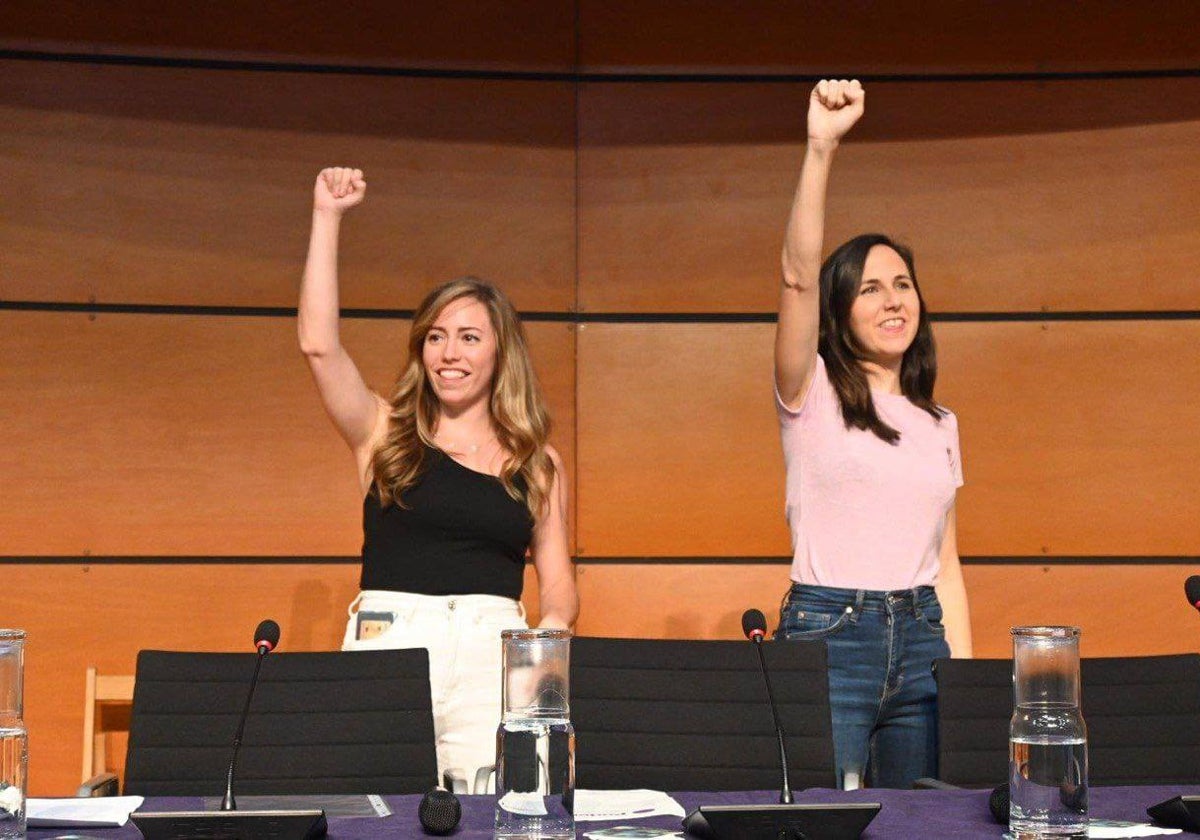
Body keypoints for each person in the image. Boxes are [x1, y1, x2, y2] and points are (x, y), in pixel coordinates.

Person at [298, 166, 578, 784]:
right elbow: (319, 345)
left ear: (499, 352)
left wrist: (545, 645)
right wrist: (328, 217)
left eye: (469, 337)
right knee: (375, 812)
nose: (449, 355)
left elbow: (558, 590)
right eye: (436, 337)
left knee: (494, 813)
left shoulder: (539, 460)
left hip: (494, 652)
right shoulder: (382, 430)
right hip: (391, 643)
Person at [773, 81, 973, 789]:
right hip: (831, 635)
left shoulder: (940, 423)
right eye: (869, 288)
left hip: (923, 636)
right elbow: (798, 278)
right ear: (840, 311)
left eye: (903, 284)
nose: (893, 299)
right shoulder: (812, 391)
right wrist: (820, 148)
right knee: (816, 820)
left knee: (925, 820)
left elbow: (944, 563)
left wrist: (965, 681)